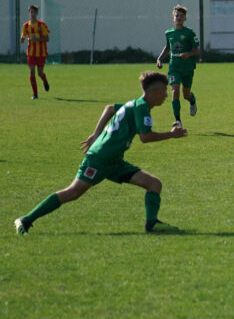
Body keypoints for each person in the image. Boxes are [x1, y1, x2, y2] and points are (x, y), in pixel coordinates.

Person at [14, 71, 187, 236]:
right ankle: (25, 220)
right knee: (73, 192)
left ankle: (152, 223)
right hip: (100, 159)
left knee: (154, 184)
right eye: (163, 91)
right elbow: (145, 137)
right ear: (153, 91)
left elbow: (110, 108)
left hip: (114, 161)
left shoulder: (134, 103)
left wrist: (95, 135)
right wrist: (171, 135)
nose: (166, 95)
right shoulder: (141, 108)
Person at [156, 5, 200, 125]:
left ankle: (192, 101)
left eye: (181, 16)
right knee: (175, 91)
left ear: (185, 18)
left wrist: (188, 54)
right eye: (177, 16)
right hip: (174, 67)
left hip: (187, 68)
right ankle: (178, 120)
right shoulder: (169, 33)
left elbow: (197, 49)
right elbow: (168, 47)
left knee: (186, 94)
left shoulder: (189, 33)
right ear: (172, 18)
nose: (179, 18)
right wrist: (159, 59)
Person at [20, 4, 50, 99]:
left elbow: (47, 38)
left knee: (40, 73)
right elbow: (23, 38)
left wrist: (37, 39)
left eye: (34, 12)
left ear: (37, 13)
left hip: (41, 53)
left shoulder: (42, 25)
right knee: (32, 71)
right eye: (30, 12)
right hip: (31, 53)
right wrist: (22, 39)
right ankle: (35, 94)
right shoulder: (25, 26)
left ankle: (44, 80)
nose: (32, 14)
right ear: (29, 13)